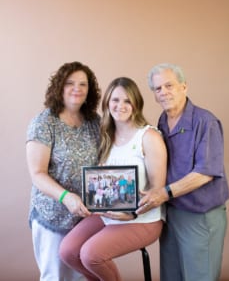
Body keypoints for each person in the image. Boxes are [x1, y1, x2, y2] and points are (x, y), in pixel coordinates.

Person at [59, 77, 167, 281]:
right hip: (108, 214)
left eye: (127, 101)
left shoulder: (149, 137)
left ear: (136, 104)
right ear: (107, 103)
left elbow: (157, 193)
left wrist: (132, 214)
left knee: (91, 255)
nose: (120, 106)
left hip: (143, 219)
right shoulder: (106, 136)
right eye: (115, 100)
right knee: (68, 251)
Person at [138, 63, 229, 281]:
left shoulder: (205, 122)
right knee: (172, 275)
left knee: (200, 276)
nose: (163, 92)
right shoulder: (162, 121)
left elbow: (205, 172)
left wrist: (164, 193)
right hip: (171, 213)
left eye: (169, 85)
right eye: (158, 88)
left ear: (184, 87)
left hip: (200, 215)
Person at [26, 61, 101, 281]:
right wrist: (66, 197)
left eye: (83, 84)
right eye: (70, 83)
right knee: (56, 276)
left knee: (83, 275)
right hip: (53, 214)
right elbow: (37, 174)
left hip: (85, 216)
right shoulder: (44, 122)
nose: (77, 88)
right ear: (59, 87)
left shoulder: (94, 122)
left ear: (89, 91)